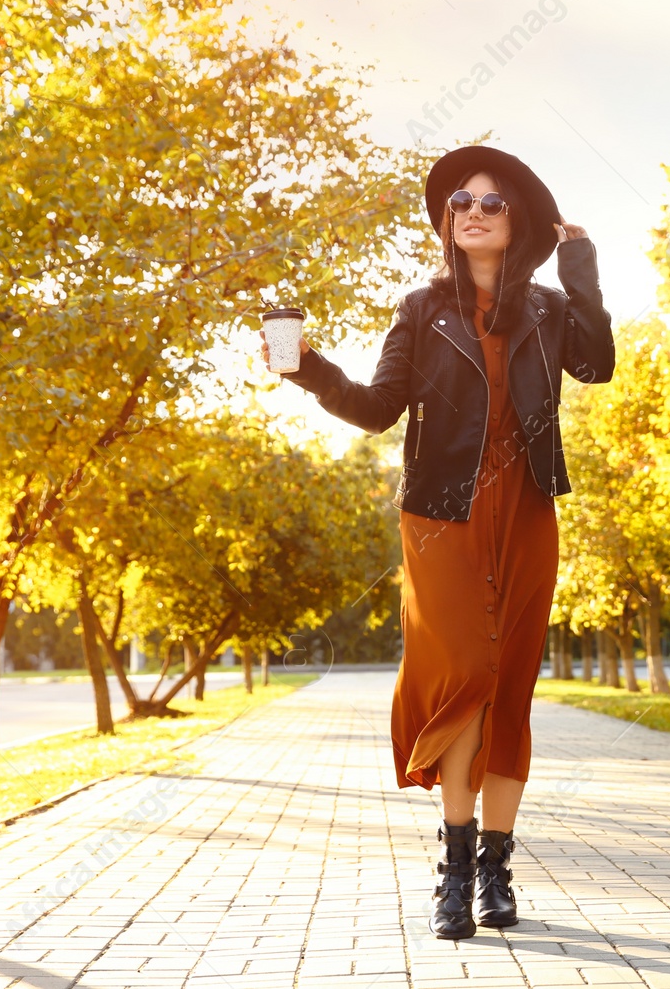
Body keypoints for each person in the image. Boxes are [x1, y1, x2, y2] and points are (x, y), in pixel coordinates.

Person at [261, 145, 615, 939]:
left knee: (508, 686)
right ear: (447, 220)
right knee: (463, 676)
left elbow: (597, 365)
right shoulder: (422, 308)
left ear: (516, 217)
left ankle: (495, 870)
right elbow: (378, 406)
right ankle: (453, 873)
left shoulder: (551, 310)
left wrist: (582, 261)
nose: (475, 211)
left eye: (491, 201)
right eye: (461, 201)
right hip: (439, 519)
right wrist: (307, 367)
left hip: (525, 513)